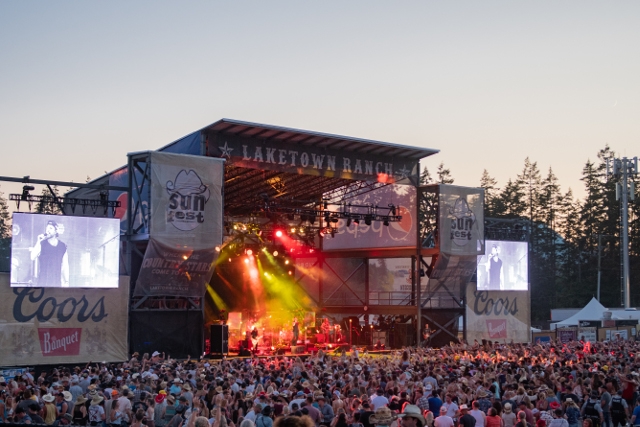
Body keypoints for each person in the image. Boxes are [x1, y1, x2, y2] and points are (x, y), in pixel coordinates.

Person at [30, 220, 69, 287]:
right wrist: (38, 241)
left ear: (56, 231)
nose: (48, 230)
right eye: (47, 228)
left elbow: (65, 265)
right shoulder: (42, 243)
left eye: (50, 228)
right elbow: (32, 257)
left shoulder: (62, 246)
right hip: (43, 283)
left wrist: (66, 281)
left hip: (56, 283)